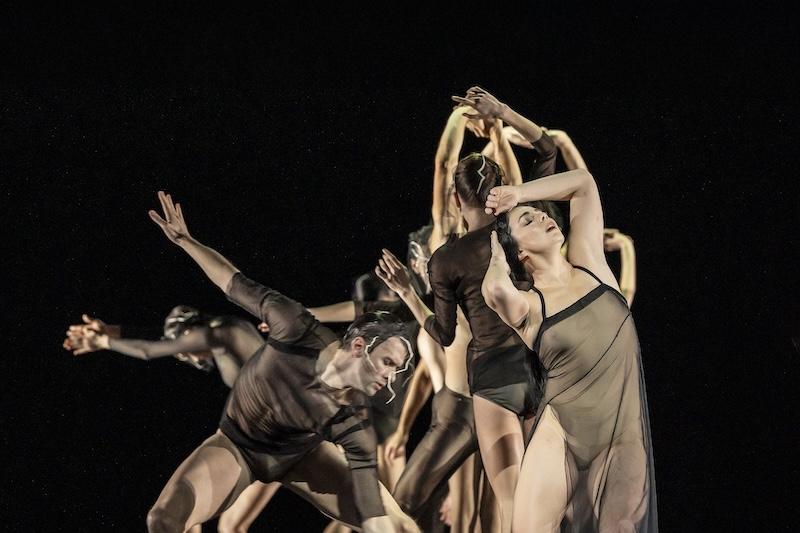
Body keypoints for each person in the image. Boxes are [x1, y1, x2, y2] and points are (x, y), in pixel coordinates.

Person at [140, 191, 418, 533]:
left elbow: (374, 515)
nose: (391, 379)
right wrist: (187, 242)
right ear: (359, 346)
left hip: (303, 456)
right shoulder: (294, 325)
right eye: (388, 363)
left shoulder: (350, 421)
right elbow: (230, 279)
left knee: (399, 527)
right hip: (238, 446)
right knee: (163, 520)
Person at [472, 86, 657, 531]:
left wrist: (519, 194)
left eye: (541, 213)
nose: (544, 216)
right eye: (530, 220)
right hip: (560, 432)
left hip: (621, 435)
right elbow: (494, 289)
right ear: (519, 253)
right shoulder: (529, 307)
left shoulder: (592, 265)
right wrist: (498, 241)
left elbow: (583, 183)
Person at [377, 96, 556, 532]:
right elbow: (542, 157)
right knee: (501, 512)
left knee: (406, 507)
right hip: (532, 382)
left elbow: (442, 168)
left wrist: (458, 117)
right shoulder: (520, 230)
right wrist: (498, 125)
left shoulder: (446, 255)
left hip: (473, 398)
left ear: (457, 200)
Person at [63, 309, 281, 533]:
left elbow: (149, 350)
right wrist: (113, 330)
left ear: (194, 330)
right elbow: (161, 336)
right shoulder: (220, 330)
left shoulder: (222, 333)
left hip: (273, 437)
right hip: (272, 435)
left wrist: (103, 341)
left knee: (203, 520)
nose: (193, 357)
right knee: (228, 526)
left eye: (189, 350)